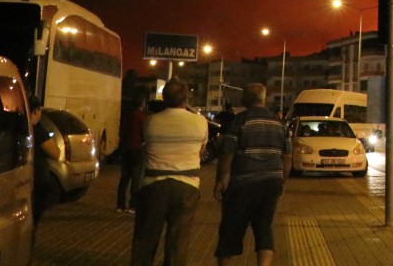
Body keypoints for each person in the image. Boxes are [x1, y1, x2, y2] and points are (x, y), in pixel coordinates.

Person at [130, 78, 208, 266]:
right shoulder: (199, 122)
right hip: (187, 186)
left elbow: (146, 146)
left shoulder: (152, 121)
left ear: (164, 98)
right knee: (178, 242)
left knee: (145, 239)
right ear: (186, 98)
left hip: (154, 185)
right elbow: (201, 150)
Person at [214, 83, 290, 266]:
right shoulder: (279, 122)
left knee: (230, 230)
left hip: (243, 183)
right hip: (272, 182)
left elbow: (228, 153)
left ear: (244, 99)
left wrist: (220, 180)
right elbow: (288, 157)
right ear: (263, 99)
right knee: (264, 227)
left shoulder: (240, 120)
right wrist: (282, 182)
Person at [29, 96, 61, 228]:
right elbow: (55, 153)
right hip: (37, 178)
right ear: (36, 111)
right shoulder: (38, 130)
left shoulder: (20, 126)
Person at [117, 94, 148, 212]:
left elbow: (122, 131)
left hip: (126, 149)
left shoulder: (126, 116)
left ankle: (120, 204)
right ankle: (133, 205)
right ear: (142, 104)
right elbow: (144, 134)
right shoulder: (142, 117)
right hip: (137, 149)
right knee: (136, 179)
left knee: (124, 178)